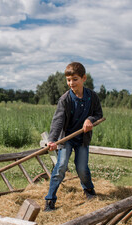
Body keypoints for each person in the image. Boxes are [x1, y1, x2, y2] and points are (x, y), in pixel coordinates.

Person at [44, 62, 103, 212]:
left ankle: (89, 191)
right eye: (68, 80)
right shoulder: (65, 100)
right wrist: (52, 140)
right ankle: (50, 200)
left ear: (84, 78)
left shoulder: (92, 97)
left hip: (82, 139)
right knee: (61, 166)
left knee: (82, 168)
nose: (71, 83)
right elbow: (57, 121)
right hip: (66, 139)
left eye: (75, 79)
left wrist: (90, 119)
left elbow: (98, 115)